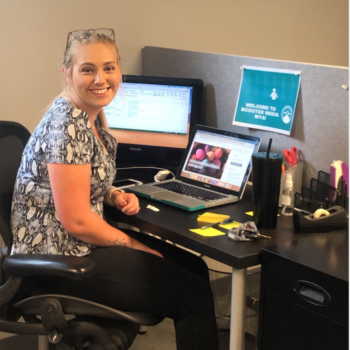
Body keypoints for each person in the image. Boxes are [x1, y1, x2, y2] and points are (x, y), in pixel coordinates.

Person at [10, 28, 219, 350]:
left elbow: (74, 181)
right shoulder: (67, 125)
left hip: (78, 246)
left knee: (194, 267)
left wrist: (111, 194)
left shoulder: (87, 119)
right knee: (192, 295)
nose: (101, 79)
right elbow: (77, 221)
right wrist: (133, 246)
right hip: (59, 260)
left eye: (109, 68)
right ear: (67, 73)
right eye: (87, 69)